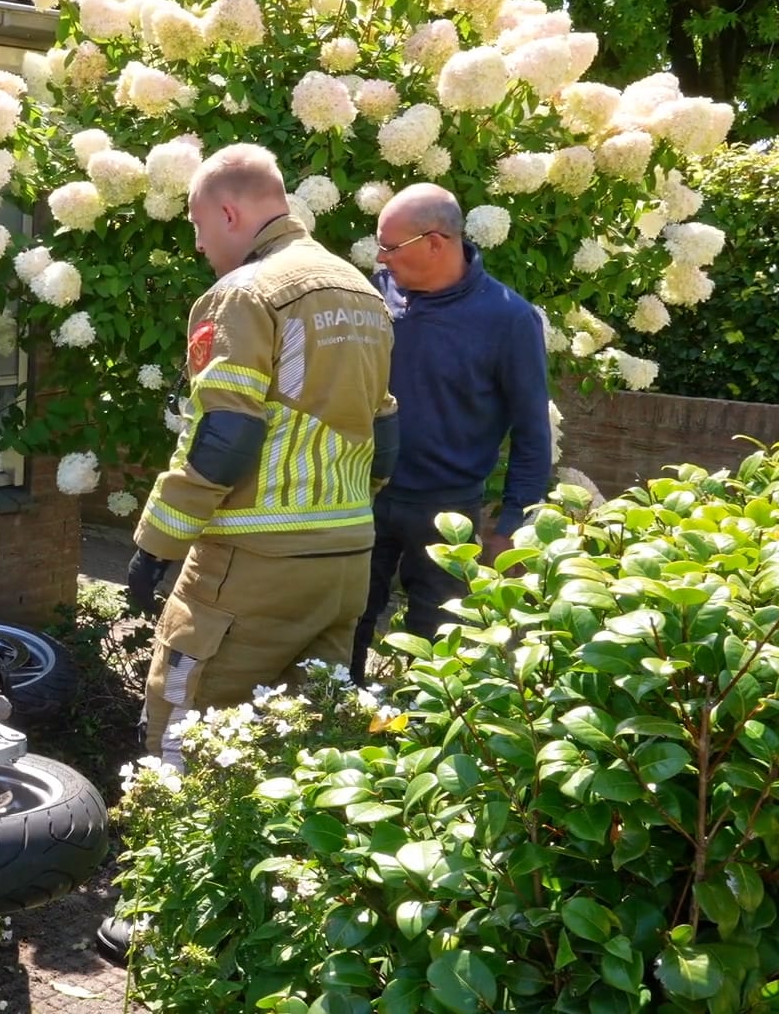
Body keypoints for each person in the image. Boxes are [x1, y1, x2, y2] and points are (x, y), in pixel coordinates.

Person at [97, 143, 399, 962]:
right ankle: (276, 905)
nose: (199, 243)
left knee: (180, 714)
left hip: (249, 561)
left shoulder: (242, 294)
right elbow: (389, 434)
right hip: (345, 562)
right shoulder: (361, 291)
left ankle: (157, 907)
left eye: (198, 225)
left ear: (230, 212)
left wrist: (156, 545)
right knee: (307, 726)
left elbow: (225, 436)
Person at [349, 183, 550, 685]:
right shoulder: (378, 293)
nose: (380, 257)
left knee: (438, 648)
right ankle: (330, 723)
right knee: (341, 622)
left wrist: (509, 528)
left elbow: (531, 431)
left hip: (446, 512)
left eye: (390, 246)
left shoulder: (508, 319)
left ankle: (419, 746)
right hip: (359, 494)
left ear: (436, 242)